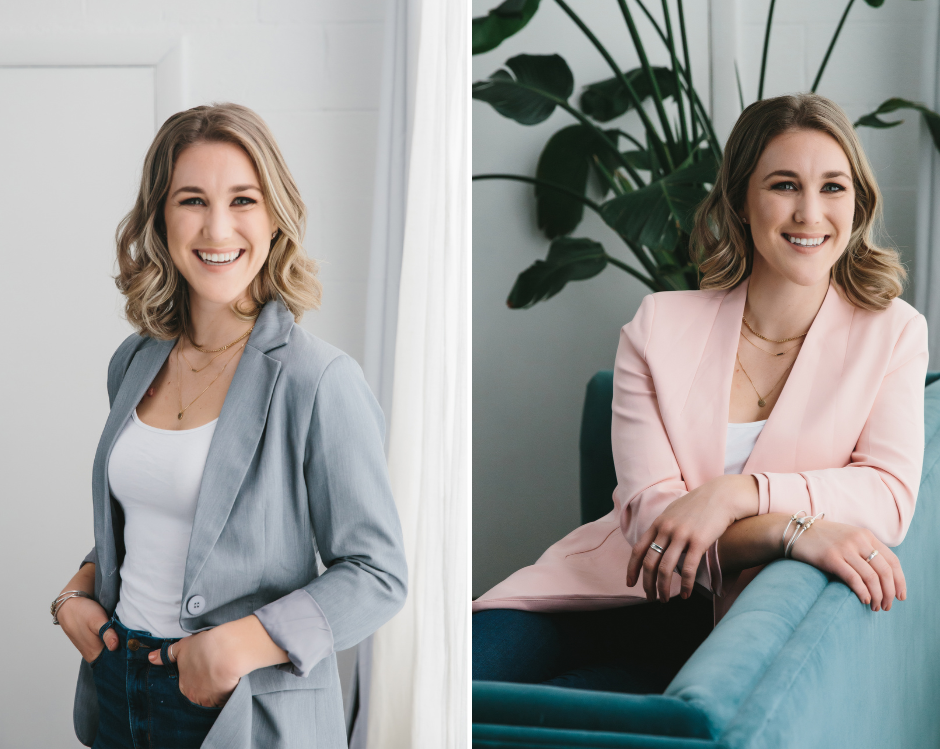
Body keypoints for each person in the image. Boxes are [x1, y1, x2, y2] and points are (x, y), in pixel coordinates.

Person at [472, 93, 928, 695]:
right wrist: (788, 530)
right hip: (609, 592)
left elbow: (887, 496)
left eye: (833, 187)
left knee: (554, 719)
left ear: (857, 201)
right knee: (449, 689)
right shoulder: (658, 325)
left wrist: (737, 493)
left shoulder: (892, 333)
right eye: (784, 185)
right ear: (740, 200)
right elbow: (653, 521)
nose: (810, 212)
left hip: (730, 629)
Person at [52, 103, 407, 749]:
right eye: (192, 200)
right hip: (119, 684)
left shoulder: (318, 380)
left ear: (275, 217)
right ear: (160, 217)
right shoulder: (133, 361)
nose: (217, 227)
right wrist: (77, 591)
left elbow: (378, 574)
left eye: (243, 199)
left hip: (237, 705)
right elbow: (157, 519)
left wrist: (239, 646)